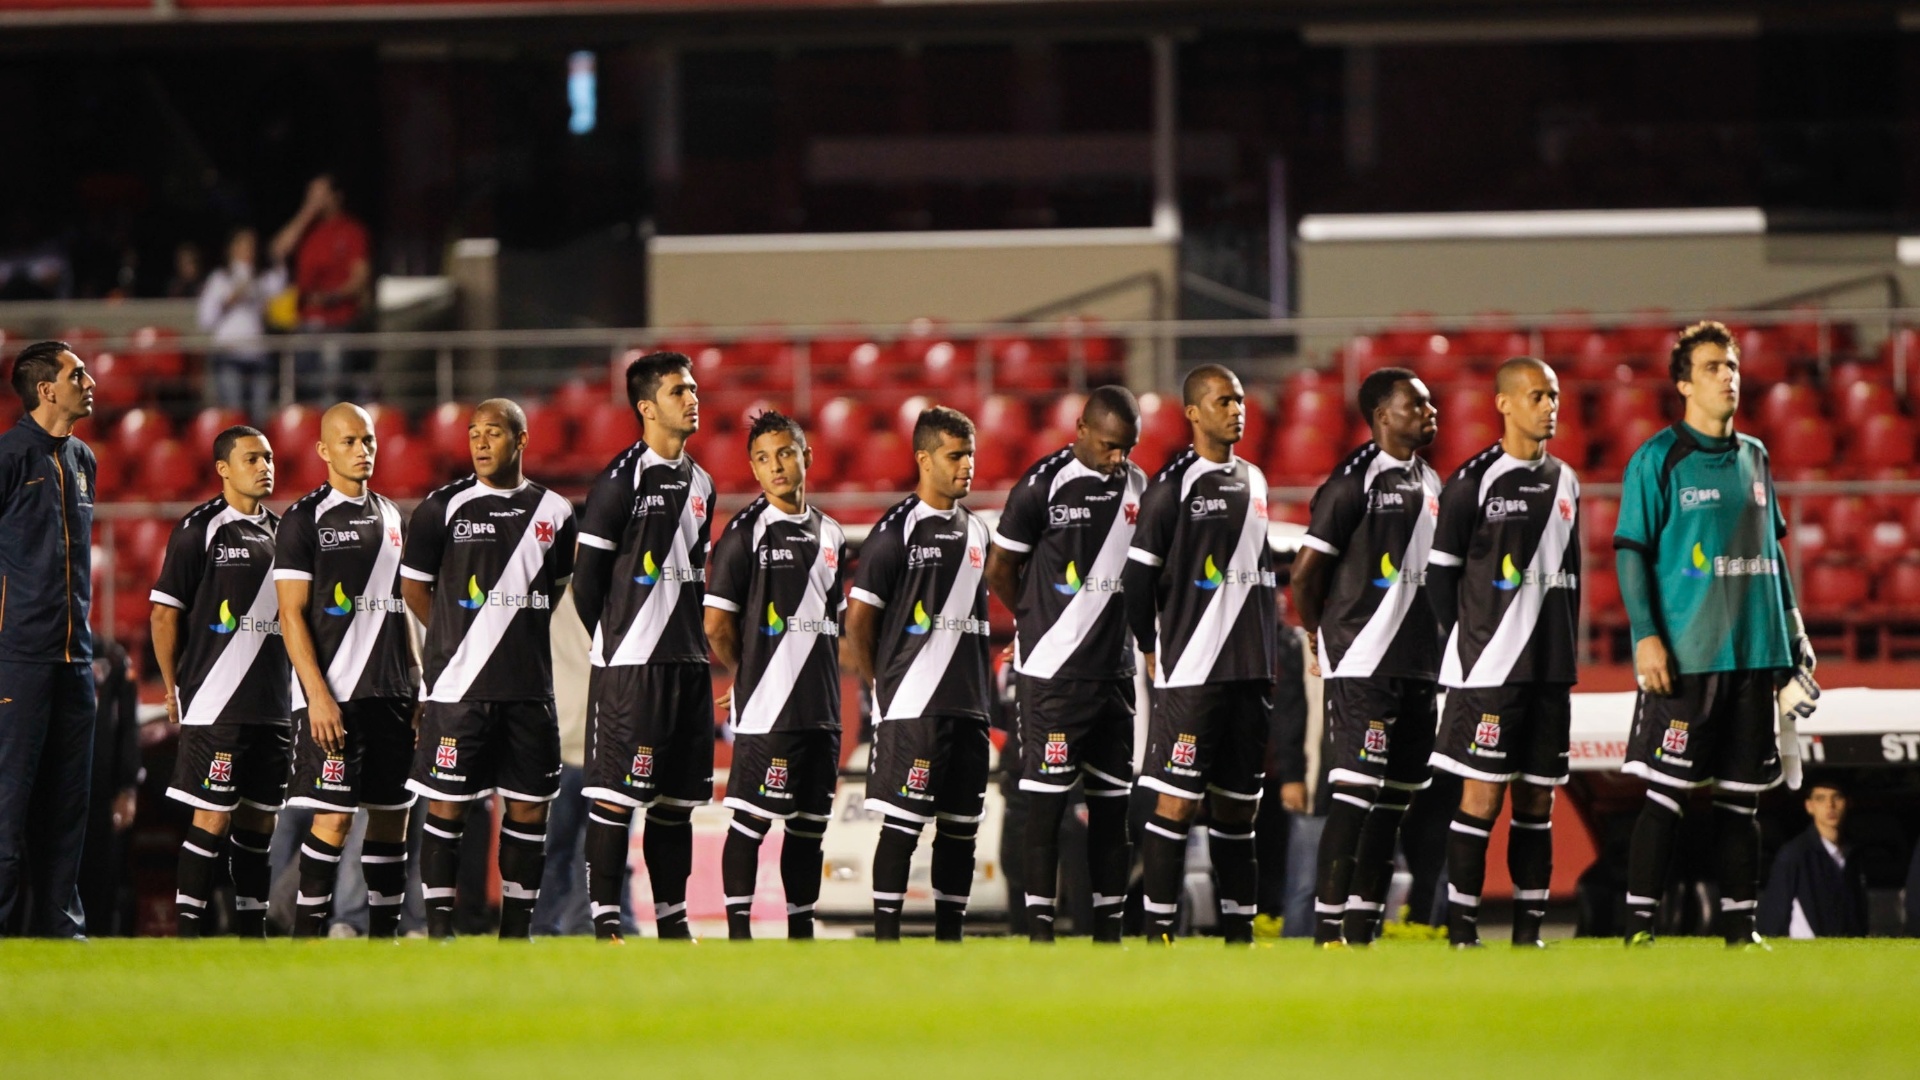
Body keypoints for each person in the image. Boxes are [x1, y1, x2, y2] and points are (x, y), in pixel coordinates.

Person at [1615, 321, 1815, 948]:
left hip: (1756, 653)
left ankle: (1739, 930)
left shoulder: (1755, 455)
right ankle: (1638, 928)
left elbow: (1772, 556)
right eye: (1711, 367)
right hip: (1688, 656)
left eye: (1731, 366)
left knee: (1741, 801)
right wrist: (1646, 636)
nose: (1728, 376)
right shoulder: (1657, 458)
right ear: (1683, 383)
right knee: (1667, 796)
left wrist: (1794, 632)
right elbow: (1629, 553)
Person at [401, 400, 576, 940]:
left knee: (528, 811)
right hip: (458, 693)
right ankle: (439, 931)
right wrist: (459, 643)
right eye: (473, 433)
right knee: (447, 808)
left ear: (520, 440)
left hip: (528, 692)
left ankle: (515, 934)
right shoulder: (441, 508)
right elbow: (414, 588)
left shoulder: (557, 512)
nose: (479, 442)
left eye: (493, 433)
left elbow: (556, 587)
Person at [1426, 357, 1582, 948]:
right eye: (1538, 396)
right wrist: (1470, 648)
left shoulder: (1566, 479)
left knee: (1537, 801)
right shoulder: (1471, 484)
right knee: (1481, 796)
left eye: (1555, 395)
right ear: (1504, 404)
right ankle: (1462, 931)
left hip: (1549, 669)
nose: (1550, 406)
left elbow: (1569, 575)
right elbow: (1441, 579)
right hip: (1490, 672)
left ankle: (1528, 935)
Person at [1121, 364, 1279, 945]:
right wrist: (1149, 646)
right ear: (1193, 413)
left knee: (1240, 810)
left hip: (1253, 672)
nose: (1235, 410)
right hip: (1194, 674)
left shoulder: (1257, 480)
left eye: (1239, 400)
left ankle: (1240, 936)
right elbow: (1138, 583)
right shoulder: (1170, 489)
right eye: (1222, 401)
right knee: (1177, 803)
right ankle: (1160, 934)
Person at [984, 386, 1146, 944]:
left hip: (1117, 677)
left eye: (1126, 447)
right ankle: (1039, 934)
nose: (1117, 458)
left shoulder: (1139, 486)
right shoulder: (1041, 485)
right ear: (1079, 428)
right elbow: (1001, 567)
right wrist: (1035, 624)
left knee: (1110, 811)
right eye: (1108, 445)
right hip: (1053, 678)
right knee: (1044, 808)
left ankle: (1108, 933)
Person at [1293, 366, 1442, 947]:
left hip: (1419, 665)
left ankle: (1362, 930)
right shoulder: (1352, 480)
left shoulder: (1433, 481)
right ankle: (1328, 930)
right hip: (1363, 665)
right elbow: (1306, 573)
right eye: (1417, 404)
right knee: (1355, 796)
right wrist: (1318, 636)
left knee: (1393, 805)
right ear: (1383, 415)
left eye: (1430, 403)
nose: (1431, 412)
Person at [572, 352, 716, 943]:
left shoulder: (702, 481)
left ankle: (672, 919)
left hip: (688, 664)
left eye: (694, 388)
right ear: (647, 407)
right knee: (613, 796)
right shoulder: (620, 479)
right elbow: (587, 584)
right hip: (632, 667)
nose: (692, 398)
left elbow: (695, 570)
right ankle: (606, 919)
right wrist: (617, 642)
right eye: (679, 391)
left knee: (676, 802)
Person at [845, 406, 993, 942]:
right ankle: (888, 938)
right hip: (914, 708)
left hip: (969, 706)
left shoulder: (979, 530)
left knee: (960, 832)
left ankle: (949, 940)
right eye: (955, 456)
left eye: (970, 454)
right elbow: (859, 620)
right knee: (904, 827)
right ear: (924, 459)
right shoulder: (895, 531)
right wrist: (883, 687)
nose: (967, 465)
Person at [273, 403, 420, 938]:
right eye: (350, 442)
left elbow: (397, 607)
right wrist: (316, 695)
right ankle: (307, 938)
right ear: (323, 450)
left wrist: (416, 684)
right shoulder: (303, 519)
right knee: (333, 818)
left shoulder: (391, 515)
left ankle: (383, 939)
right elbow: (290, 613)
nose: (363, 451)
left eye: (369, 441)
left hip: (392, 694)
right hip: (334, 697)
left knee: (391, 815)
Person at [706, 411, 847, 940]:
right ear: (753, 469)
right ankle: (739, 934)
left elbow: (833, 622)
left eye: (785, 453)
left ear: (806, 456)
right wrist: (748, 675)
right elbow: (716, 622)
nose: (776, 466)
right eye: (763, 459)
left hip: (823, 711)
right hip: (769, 711)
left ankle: (800, 932)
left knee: (809, 829)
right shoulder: (745, 534)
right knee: (751, 821)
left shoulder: (833, 534)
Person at [153, 426, 289, 937]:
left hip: (274, 706)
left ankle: (251, 938)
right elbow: (164, 614)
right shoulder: (200, 529)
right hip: (217, 704)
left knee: (261, 824)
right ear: (223, 469)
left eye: (269, 457)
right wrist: (172, 688)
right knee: (211, 818)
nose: (264, 466)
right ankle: (189, 934)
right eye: (252, 458)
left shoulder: (284, 531)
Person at [0, 340, 98, 939]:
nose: (90, 380)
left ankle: (64, 931)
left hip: (75, 661)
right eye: (77, 373)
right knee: (9, 804)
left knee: (68, 806)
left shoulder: (85, 458)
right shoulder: (8, 457)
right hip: (19, 659)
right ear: (47, 389)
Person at [271, 174, 371, 401]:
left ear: (336, 196)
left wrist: (330, 297)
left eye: (320, 194)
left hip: (336, 322)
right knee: (297, 387)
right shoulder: (306, 231)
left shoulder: (351, 230)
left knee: (330, 387)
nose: (315, 199)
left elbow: (360, 278)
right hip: (304, 322)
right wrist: (307, 213)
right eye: (311, 194)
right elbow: (278, 250)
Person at [77, 639, 142, 936]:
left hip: (101, 787)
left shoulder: (114, 659)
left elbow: (129, 727)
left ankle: (97, 939)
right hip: (59, 785)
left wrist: (127, 789)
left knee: (101, 875)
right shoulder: (45, 649)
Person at [1758, 777, 1869, 938]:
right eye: (1821, 799)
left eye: (1837, 797)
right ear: (1809, 806)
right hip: (1805, 955)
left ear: (1848, 802)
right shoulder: (1794, 854)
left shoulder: (1854, 853)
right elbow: (1774, 914)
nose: (1830, 805)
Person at [197, 227, 287, 418]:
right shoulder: (219, 279)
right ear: (232, 249)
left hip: (257, 357)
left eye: (252, 246)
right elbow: (205, 320)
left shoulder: (260, 279)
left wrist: (278, 258)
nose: (250, 250)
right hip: (229, 357)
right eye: (244, 245)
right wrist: (230, 300)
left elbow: (279, 287)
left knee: (260, 416)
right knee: (234, 415)